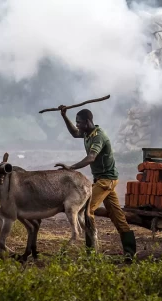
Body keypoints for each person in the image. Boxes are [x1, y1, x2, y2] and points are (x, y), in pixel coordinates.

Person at [55, 107, 137, 260]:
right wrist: (64, 116)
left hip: (107, 180)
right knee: (117, 217)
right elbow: (74, 133)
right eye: (76, 123)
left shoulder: (99, 136)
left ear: (88, 121)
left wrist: (71, 167)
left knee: (87, 211)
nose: (77, 125)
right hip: (102, 180)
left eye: (79, 122)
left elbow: (91, 157)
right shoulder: (87, 134)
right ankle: (130, 253)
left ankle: (91, 252)